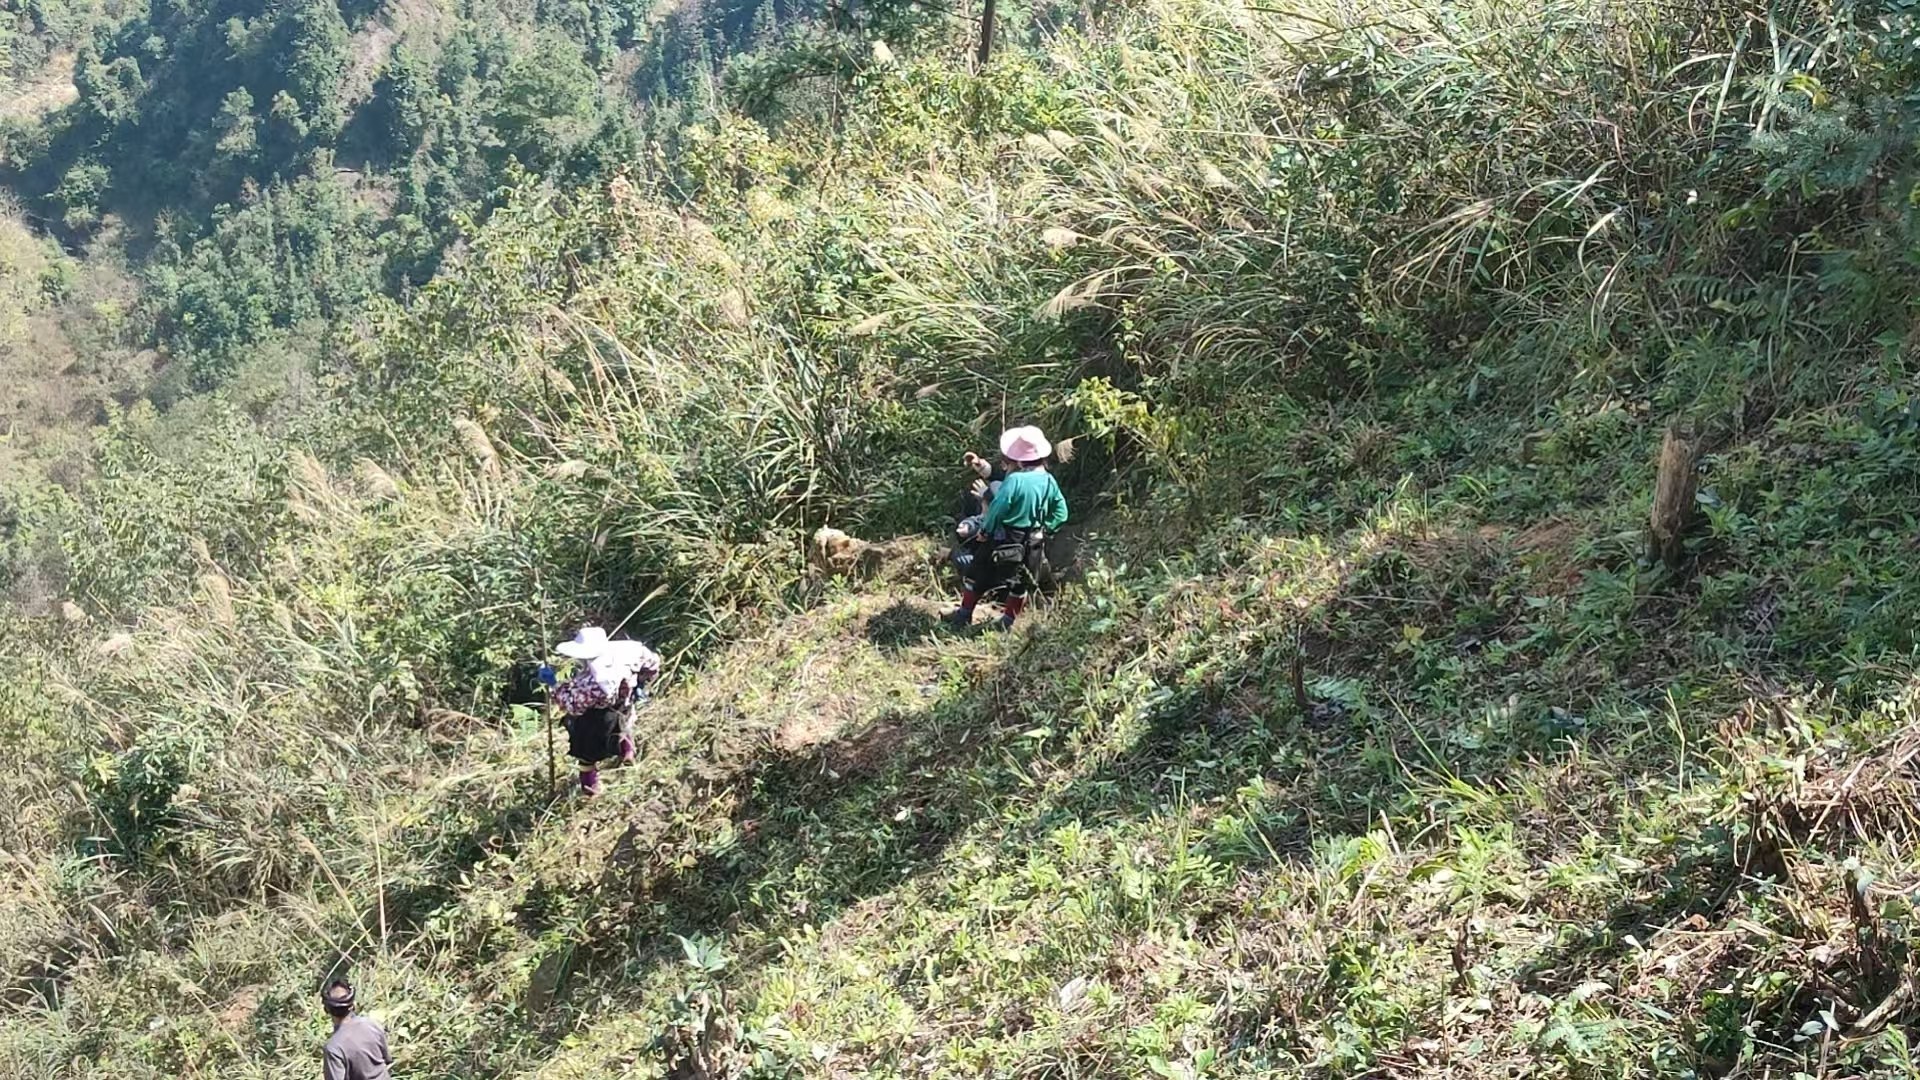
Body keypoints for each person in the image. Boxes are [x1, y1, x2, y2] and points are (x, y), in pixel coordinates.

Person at [947, 425, 1068, 630]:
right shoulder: (1049, 480)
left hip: (1004, 537)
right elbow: (1061, 512)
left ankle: (964, 615)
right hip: (1033, 541)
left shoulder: (1015, 480)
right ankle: (1008, 623)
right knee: (1019, 584)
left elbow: (998, 508)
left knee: (976, 575)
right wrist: (1046, 528)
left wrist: (985, 531)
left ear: (1019, 459)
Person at [548, 626, 661, 796]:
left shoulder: (594, 682)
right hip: (623, 703)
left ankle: (590, 788)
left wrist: (553, 684)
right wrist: (641, 681)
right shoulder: (628, 651)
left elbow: (572, 705)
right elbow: (652, 663)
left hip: (597, 716)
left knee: (586, 752)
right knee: (623, 725)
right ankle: (628, 753)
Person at [321, 979, 392, 1080]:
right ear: (352, 1004)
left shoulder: (333, 1048)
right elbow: (387, 1059)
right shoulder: (372, 1025)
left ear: (326, 1009)